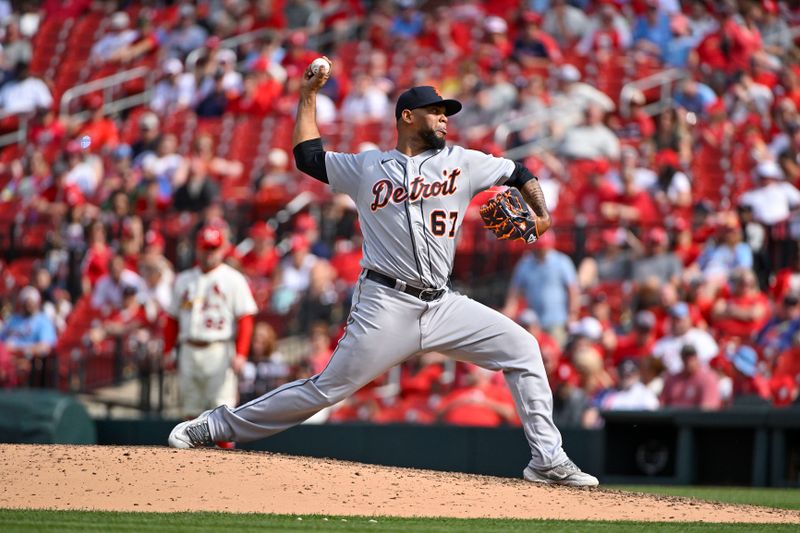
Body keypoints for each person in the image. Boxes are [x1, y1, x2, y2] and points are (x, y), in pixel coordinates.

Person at [168, 58, 599, 487]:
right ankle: (218, 426)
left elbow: (520, 172)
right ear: (407, 117)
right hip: (385, 304)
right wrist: (308, 96)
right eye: (436, 112)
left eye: (446, 114)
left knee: (523, 348)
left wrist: (540, 217)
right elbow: (307, 156)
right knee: (324, 391)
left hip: (442, 304)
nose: (444, 120)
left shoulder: (463, 161)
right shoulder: (367, 167)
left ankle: (547, 459)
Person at [163, 224, 257, 419]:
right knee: (190, 410)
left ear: (222, 249)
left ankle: (224, 451)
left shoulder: (233, 279)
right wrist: (168, 350)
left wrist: (241, 353)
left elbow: (245, 318)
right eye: (205, 248)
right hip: (189, 348)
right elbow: (172, 318)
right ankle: (195, 451)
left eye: (213, 248)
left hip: (219, 348)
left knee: (222, 410)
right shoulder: (184, 279)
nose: (209, 253)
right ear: (197, 248)